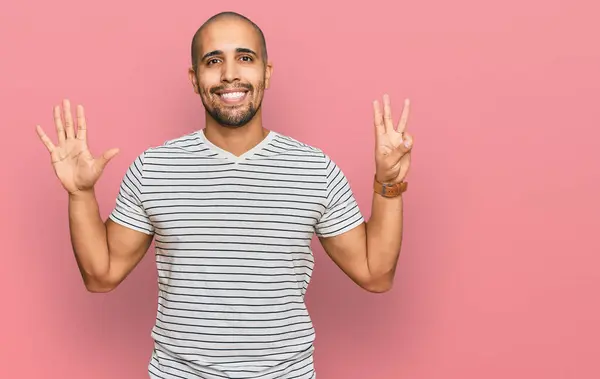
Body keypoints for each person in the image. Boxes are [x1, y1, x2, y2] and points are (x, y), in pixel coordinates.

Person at [35, 11, 414, 379]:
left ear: (267, 72)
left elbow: (375, 274)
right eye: (213, 60)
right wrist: (81, 194)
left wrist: (389, 187)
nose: (229, 73)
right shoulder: (154, 168)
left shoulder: (314, 170)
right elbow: (101, 275)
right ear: (194, 78)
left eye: (244, 58)